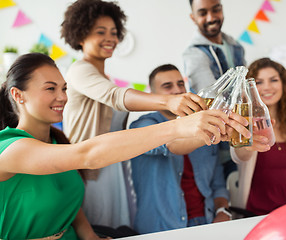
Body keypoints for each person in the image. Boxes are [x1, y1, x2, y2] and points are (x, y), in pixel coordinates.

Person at [0, 53, 246, 239]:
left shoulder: (57, 142)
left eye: (64, 88)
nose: (63, 97)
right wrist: (181, 126)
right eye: (50, 89)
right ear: (18, 95)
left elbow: (68, 201)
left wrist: (90, 236)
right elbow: (88, 154)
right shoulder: (10, 149)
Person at [60, 0, 209, 229]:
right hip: (90, 173)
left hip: (115, 172)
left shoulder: (104, 78)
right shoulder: (79, 70)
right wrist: (169, 101)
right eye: (101, 32)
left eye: (113, 32)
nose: (110, 38)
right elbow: (115, 96)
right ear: (80, 35)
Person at [130, 64, 238, 234]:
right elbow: (172, 145)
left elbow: (217, 183)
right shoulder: (142, 126)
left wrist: (222, 211)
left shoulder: (204, 122)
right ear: (152, 94)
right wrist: (213, 133)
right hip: (161, 229)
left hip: (208, 224)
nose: (177, 90)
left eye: (181, 84)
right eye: (167, 86)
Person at [231, 58, 286, 216]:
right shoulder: (242, 120)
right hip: (254, 214)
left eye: (273, 80)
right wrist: (249, 140)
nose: (267, 87)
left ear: (284, 84)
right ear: (249, 87)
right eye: (259, 82)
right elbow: (239, 157)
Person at [183, 0, 247, 180]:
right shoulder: (194, 54)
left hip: (243, 138)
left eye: (216, 10)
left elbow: (248, 88)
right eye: (203, 13)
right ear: (193, 17)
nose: (211, 17)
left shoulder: (235, 46)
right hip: (214, 146)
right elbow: (213, 101)